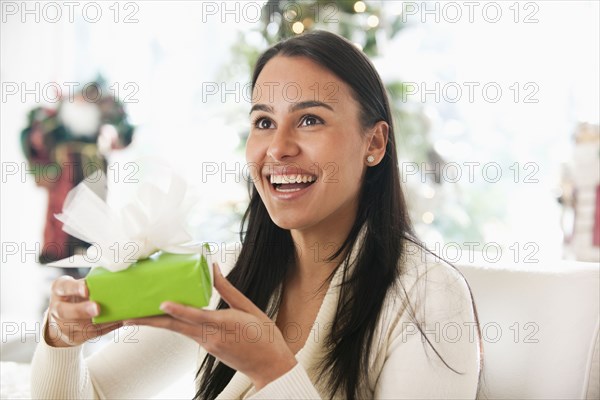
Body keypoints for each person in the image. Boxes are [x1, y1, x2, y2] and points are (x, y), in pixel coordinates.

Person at [30, 30, 482, 399]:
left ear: (375, 143)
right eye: (264, 122)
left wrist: (275, 371)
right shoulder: (224, 273)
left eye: (310, 120)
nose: (279, 148)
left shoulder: (428, 298)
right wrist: (59, 341)